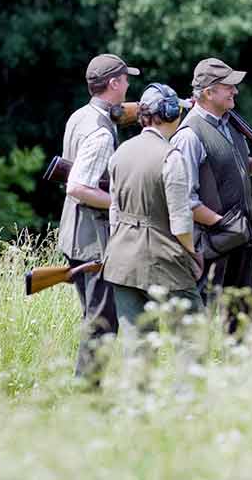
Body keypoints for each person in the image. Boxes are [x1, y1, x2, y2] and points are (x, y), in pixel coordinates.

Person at [58, 53, 138, 378]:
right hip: (94, 240)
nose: (129, 84)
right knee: (102, 322)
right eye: (125, 79)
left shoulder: (81, 116)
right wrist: (120, 203)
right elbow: (77, 187)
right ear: (114, 84)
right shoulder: (101, 133)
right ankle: (87, 395)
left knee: (93, 318)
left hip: (74, 233)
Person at [169, 58, 252, 335]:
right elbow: (185, 199)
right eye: (228, 86)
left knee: (243, 320)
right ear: (208, 92)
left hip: (239, 240)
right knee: (202, 325)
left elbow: (239, 168)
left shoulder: (230, 126)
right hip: (211, 244)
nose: (235, 91)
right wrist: (223, 225)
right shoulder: (188, 135)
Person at [103, 83, 201, 336]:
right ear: (169, 113)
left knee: (136, 347)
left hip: (121, 261)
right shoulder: (172, 157)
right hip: (164, 261)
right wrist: (193, 255)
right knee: (191, 340)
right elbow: (180, 223)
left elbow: (115, 212)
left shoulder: (120, 152)